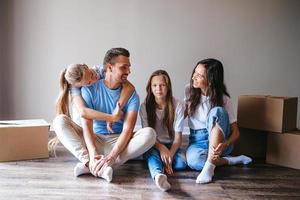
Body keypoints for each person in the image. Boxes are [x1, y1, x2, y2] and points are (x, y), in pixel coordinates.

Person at [52, 47, 156, 182]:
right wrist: (93, 152)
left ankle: (101, 164)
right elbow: (87, 124)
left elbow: (128, 130)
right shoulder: (87, 88)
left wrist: (112, 156)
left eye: (129, 67)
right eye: (124, 67)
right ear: (110, 67)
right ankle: (90, 162)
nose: (129, 71)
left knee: (150, 134)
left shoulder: (131, 94)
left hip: (118, 142)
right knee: (59, 121)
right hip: (95, 139)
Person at [185, 58, 252, 184]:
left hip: (220, 141)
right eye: (195, 72)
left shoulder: (224, 99)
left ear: (210, 81)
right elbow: (180, 114)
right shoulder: (189, 92)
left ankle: (210, 165)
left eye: (199, 75)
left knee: (217, 111)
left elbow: (236, 132)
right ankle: (230, 160)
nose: (194, 77)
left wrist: (225, 144)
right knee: (194, 162)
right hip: (197, 141)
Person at [140, 70, 187, 191]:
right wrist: (161, 148)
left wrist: (169, 155)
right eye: (154, 85)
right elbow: (146, 135)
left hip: (171, 144)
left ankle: (162, 163)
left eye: (162, 85)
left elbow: (178, 138)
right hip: (153, 143)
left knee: (181, 164)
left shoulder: (178, 105)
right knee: (152, 154)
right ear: (150, 88)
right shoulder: (144, 107)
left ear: (168, 87)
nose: (158, 89)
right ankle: (158, 176)